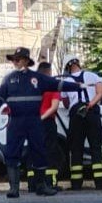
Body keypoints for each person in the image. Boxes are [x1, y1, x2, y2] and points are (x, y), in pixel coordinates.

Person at [0, 47, 84, 198]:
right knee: (12, 152)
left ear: (25, 61)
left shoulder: (38, 78)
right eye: (13, 60)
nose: (15, 63)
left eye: (17, 59)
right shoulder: (9, 79)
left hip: (34, 120)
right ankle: (14, 188)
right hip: (16, 120)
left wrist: (79, 86)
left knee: (39, 151)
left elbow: (58, 84)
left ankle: (41, 186)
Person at [62, 54, 102, 190]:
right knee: (96, 147)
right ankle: (99, 183)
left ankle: (76, 184)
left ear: (68, 67)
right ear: (78, 63)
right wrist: (90, 105)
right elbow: (101, 92)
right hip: (92, 113)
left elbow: (65, 102)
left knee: (76, 149)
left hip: (76, 115)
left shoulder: (66, 81)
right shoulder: (92, 76)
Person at [37, 62, 67, 190]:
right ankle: (50, 183)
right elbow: (55, 106)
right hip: (47, 122)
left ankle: (34, 183)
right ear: (49, 72)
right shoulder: (51, 85)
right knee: (50, 152)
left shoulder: (32, 86)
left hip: (33, 123)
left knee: (35, 152)